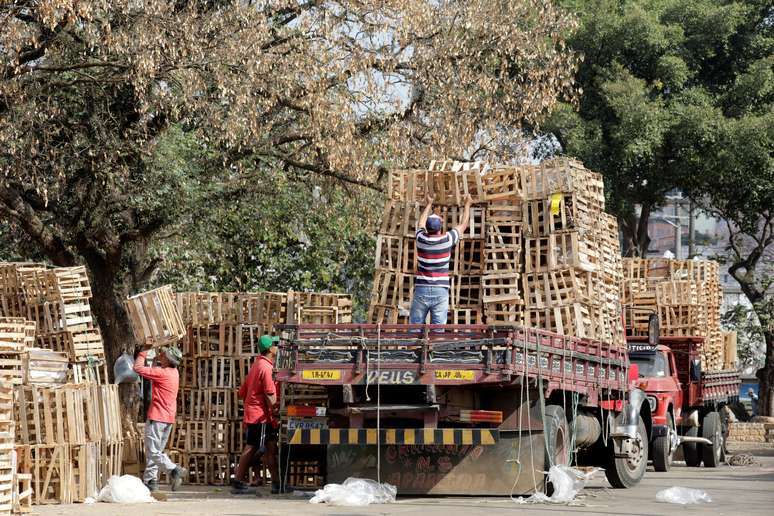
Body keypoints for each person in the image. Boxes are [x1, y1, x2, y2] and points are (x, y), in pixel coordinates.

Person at [409, 193, 472, 324]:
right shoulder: (447, 239)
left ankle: (414, 344)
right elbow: (463, 224)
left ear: (428, 228)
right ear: (440, 228)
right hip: (440, 290)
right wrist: (467, 205)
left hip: (421, 288)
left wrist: (429, 204)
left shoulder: (421, 239)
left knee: (414, 328)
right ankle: (435, 343)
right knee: (438, 331)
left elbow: (421, 223)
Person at [232, 334, 281, 495]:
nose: (278, 347)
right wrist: (276, 410)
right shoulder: (266, 368)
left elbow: (242, 391)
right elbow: (269, 393)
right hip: (260, 416)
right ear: (270, 349)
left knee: (271, 448)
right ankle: (238, 481)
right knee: (252, 447)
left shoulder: (257, 365)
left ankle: (276, 484)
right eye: (276, 345)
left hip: (259, 414)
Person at [134, 345, 186, 492]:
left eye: (163, 355)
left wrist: (144, 351)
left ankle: (174, 469)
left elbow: (137, 368)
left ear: (168, 360)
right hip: (168, 418)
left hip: (157, 417)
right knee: (157, 452)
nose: (160, 356)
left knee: (153, 452)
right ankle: (151, 481)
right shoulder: (174, 372)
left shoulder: (161, 373)